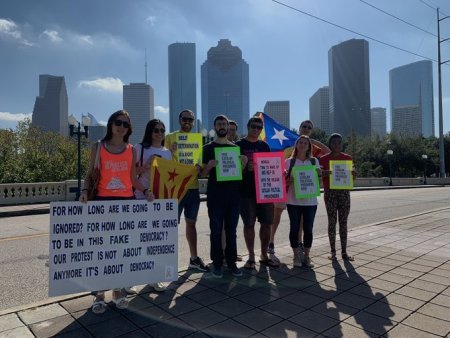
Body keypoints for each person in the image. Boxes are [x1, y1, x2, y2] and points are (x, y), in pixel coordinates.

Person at [80, 110, 154, 314]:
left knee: (121, 251)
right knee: (101, 251)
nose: (121, 126)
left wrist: (146, 190)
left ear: (128, 129)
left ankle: (118, 291)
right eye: (118, 122)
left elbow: (132, 180)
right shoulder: (98, 147)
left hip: (126, 203)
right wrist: (85, 191)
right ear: (111, 124)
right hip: (103, 202)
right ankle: (98, 294)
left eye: (125, 124)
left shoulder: (130, 150)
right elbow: (89, 175)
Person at [269, 120, 329, 264]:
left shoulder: (313, 153)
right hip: (287, 190)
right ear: (299, 128)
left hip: (306, 195)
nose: (306, 129)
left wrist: (312, 141)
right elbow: (277, 164)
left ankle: (300, 245)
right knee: (277, 215)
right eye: (304, 126)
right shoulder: (289, 145)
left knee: (304, 223)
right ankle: (271, 242)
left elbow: (328, 152)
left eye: (309, 127)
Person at [124, 119, 171, 295]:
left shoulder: (167, 153)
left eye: (162, 130)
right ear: (149, 132)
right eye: (156, 130)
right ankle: (130, 280)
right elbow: (131, 175)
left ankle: (154, 277)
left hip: (160, 202)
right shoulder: (139, 148)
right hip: (140, 198)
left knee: (155, 241)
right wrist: (145, 166)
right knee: (136, 241)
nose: (159, 133)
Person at [201, 115, 247, 278]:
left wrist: (243, 163)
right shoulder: (207, 148)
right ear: (215, 126)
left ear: (228, 127)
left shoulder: (235, 148)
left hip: (233, 196)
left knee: (231, 231)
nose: (222, 126)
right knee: (215, 231)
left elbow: (238, 173)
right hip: (215, 196)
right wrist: (209, 167)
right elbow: (203, 174)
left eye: (224, 124)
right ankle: (218, 264)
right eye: (219, 124)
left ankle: (232, 262)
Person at [165, 109, 208, 272]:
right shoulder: (169, 137)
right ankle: (167, 262)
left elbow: (199, 162)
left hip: (192, 188)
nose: (187, 121)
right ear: (179, 119)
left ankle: (193, 258)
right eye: (185, 118)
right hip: (174, 188)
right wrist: (170, 151)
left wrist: (199, 166)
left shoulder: (197, 140)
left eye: (190, 119)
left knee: (191, 224)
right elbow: (160, 160)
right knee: (169, 226)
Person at [236, 116, 275, 269]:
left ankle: (264, 254)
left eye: (259, 127)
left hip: (265, 191)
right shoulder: (238, 145)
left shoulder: (264, 146)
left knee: (267, 224)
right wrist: (246, 169)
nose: (256, 130)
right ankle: (251, 256)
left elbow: (271, 168)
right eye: (253, 126)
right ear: (248, 126)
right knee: (249, 224)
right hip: (246, 193)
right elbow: (232, 171)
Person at [285, 135, 321, 268]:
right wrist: (288, 181)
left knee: (308, 229)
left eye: (305, 143)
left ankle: (307, 256)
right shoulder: (289, 162)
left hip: (310, 202)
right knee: (294, 228)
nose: (303, 144)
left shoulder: (314, 161)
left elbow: (318, 182)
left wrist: (319, 176)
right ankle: (296, 256)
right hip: (293, 201)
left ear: (309, 146)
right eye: (300, 142)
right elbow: (284, 181)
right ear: (296, 145)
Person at [320, 133, 356, 261]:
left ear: (342, 144)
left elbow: (352, 178)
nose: (336, 145)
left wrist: (353, 174)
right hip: (330, 193)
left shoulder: (348, 158)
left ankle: (344, 252)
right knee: (332, 222)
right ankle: (333, 252)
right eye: (334, 142)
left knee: (343, 222)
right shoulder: (323, 159)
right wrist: (325, 173)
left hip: (344, 193)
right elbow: (318, 176)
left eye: (339, 143)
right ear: (330, 144)